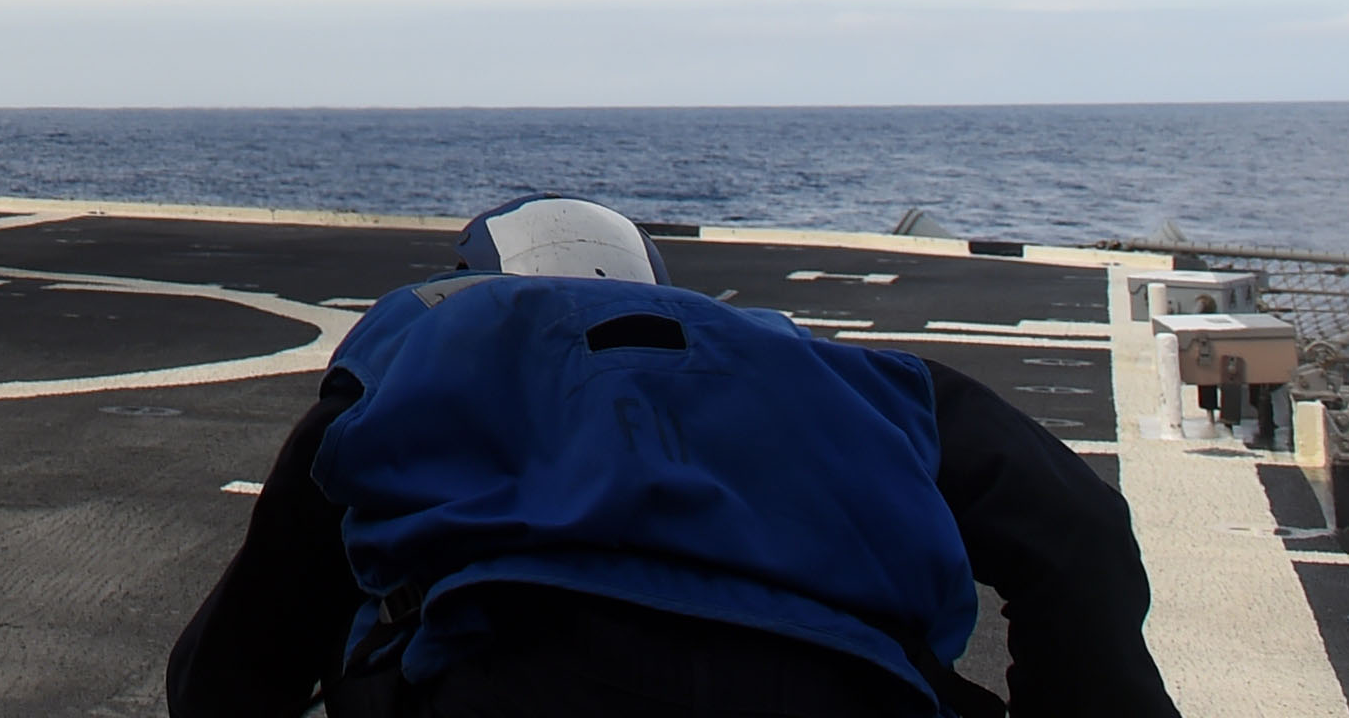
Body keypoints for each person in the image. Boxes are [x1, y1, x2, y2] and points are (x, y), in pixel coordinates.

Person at [167, 197, 1180, 718]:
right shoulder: (826, 366)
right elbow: (1081, 536)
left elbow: (263, 617)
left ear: (473, 279)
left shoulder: (425, 340)